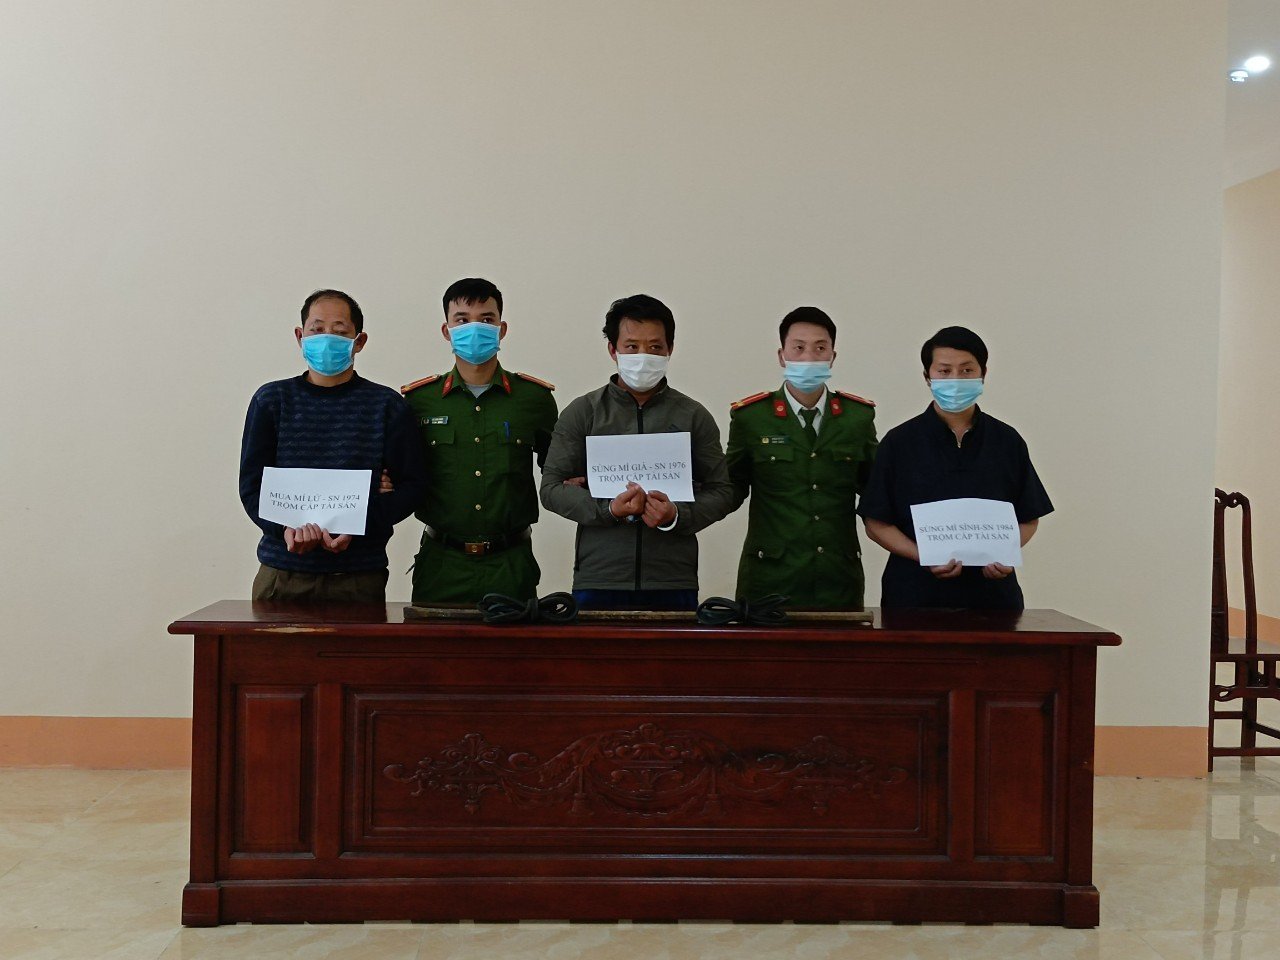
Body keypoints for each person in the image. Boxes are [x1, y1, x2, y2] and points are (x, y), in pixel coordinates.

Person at [539, 294, 735, 611]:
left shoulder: (693, 415)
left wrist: (676, 516)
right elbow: (550, 489)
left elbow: (722, 491)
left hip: (673, 579)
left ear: (670, 349)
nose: (643, 356)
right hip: (599, 577)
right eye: (631, 346)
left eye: (655, 347)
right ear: (612, 350)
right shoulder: (584, 412)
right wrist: (608, 509)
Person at [239, 289, 428, 603]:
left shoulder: (387, 405)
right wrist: (283, 529)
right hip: (282, 574)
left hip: (357, 576)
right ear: (300, 337)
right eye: (316, 330)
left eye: (340, 332)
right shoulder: (271, 400)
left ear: (359, 341)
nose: (326, 339)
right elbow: (251, 486)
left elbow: (412, 486)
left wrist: (360, 524)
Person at [858, 326, 1052, 610]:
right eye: (944, 371)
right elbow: (876, 523)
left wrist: (1005, 553)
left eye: (966, 370)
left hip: (993, 600)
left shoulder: (1007, 441)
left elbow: (1028, 517)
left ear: (983, 373)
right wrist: (922, 555)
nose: (956, 380)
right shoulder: (899, 442)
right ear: (927, 377)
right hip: (914, 599)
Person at [401, 278, 558, 604]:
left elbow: (559, 474)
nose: (474, 328)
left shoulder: (534, 399)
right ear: (447, 331)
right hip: (441, 564)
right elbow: (402, 473)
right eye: (462, 320)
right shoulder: (420, 401)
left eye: (486, 319)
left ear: (502, 329)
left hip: (510, 564)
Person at [726, 306, 877, 609]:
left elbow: (878, 491)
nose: (809, 357)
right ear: (782, 355)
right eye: (798, 348)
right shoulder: (751, 417)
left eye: (820, 348)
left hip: (838, 578)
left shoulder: (857, 418)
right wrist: (680, 510)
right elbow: (729, 489)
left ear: (833, 356)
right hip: (770, 579)